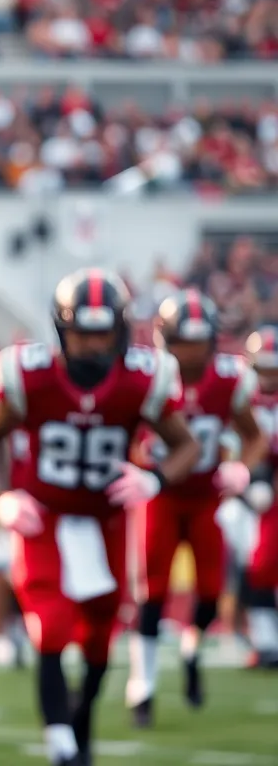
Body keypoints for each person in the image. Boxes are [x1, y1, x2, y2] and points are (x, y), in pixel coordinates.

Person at [0, 268, 199, 766]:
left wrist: (156, 479)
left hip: (108, 519)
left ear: (119, 330)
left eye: (102, 332)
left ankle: (81, 722)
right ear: (60, 329)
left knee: (101, 633)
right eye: (83, 333)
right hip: (44, 515)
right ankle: (61, 746)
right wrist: (1, 495)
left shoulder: (144, 376)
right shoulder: (28, 372)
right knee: (50, 626)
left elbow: (186, 445)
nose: (94, 345)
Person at [125, 290, 266, 724]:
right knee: (153, 593)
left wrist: (242, 468)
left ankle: (190, 648)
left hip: (207, 498)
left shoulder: (229, 377)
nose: (193, 351)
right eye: (185, 341)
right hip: (160, 496)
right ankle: (142, 687)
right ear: (167, 340)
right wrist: (137, 465)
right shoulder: (147, 374)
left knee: (209, 594)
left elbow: (254, 435)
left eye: (200, 341)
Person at [243, 325, 278, 669]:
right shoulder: (244, 399)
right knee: (257, 565)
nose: (268, 376)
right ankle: (266, 641)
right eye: (263, 368)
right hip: (247, 493)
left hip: (270, 491)